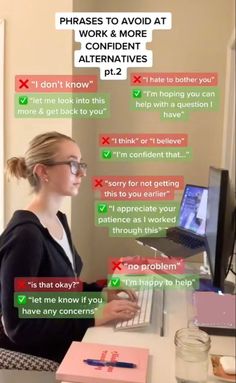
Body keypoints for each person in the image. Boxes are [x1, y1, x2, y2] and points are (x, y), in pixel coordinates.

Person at [0, 132, 139, 362]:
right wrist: (92, 316)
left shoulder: (58, 220)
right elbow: (18, 327)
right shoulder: (26, 237)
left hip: (68, 334)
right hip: (44, 352)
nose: (82, 173)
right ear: (43, 171)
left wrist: (99, 295)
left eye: (81, 164)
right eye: (73, 164)